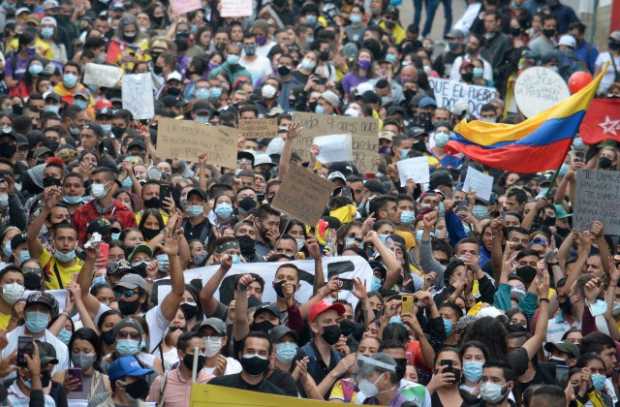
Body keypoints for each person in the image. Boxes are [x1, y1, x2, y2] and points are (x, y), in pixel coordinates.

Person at [147, 331, 213, 406]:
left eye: (203, 351)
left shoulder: (210, 382)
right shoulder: (162, 382)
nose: (200, 354)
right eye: (194, 351)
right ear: (181, 354)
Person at [208, 331, 286, 395]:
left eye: (262, 353)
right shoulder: (218, 385)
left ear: (269, 357)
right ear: (240, 355)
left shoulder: (277, 395)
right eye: (250, 351)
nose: (256, 356)